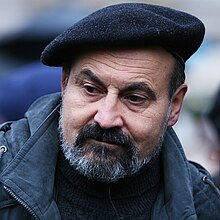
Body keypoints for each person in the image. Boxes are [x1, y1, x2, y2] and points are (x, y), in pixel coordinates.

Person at [0, 3, 219, 220]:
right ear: (65, 84)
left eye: (135, 99)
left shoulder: (204, 206)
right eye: (91, 90)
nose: (105, 119)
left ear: (175, 105)